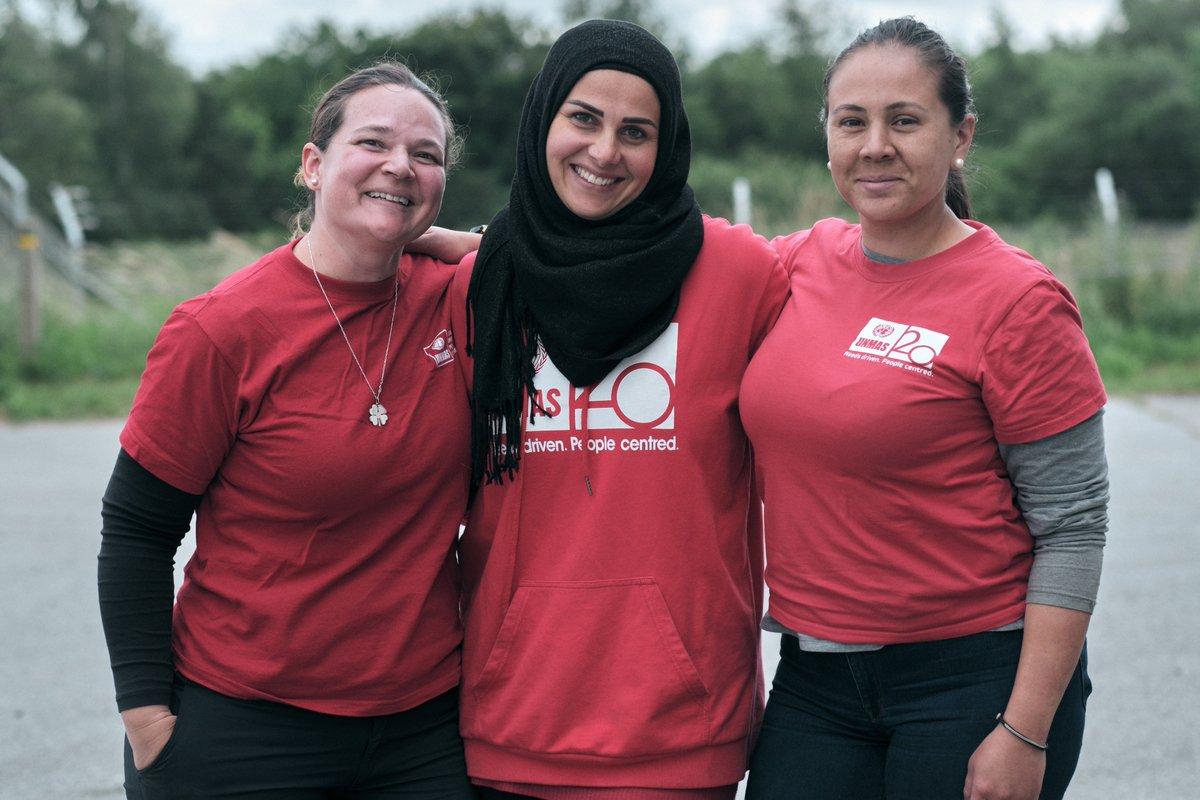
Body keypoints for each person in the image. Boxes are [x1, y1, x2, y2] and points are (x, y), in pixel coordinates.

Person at [740, 18, 1108, 800]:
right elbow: (648, 266)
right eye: (853, 122)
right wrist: (475, 247)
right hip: (815, 682)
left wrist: (1025, 730)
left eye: (904, 121)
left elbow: (1073, 528)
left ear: (960, 135)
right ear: (828, 138)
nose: (876, 146)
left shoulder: (1019, 301)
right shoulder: (798, 262)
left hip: (974, 680)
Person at [98, 62, 477, 799]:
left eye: (425, 155)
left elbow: (562, 264)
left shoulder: (456, 297)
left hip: (424, 732)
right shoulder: (223, 329)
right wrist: (146, 718)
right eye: (373, 143)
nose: (400, 164)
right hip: (243, 729)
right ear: (313, 165)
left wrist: (449, 240)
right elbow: (137, 531)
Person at [448, 19, 789, 800]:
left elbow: (854, 292)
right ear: (543, 122)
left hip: (682, 730)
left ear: (666, 149)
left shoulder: (742, 275)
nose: (605, 152)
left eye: (636, 132)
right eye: (584, 119)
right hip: (510, 718)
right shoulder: (482, 281)